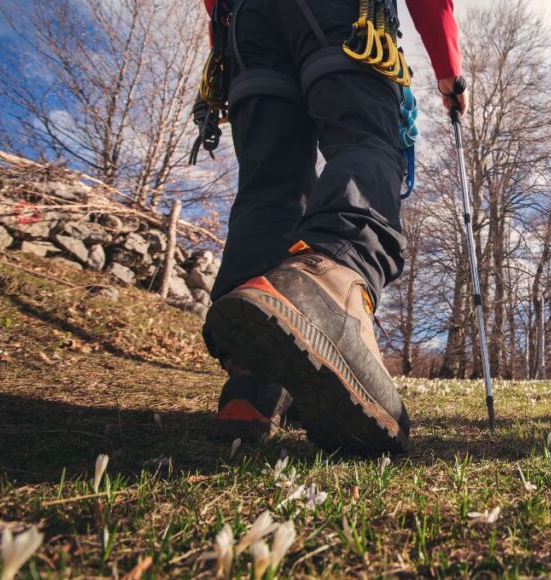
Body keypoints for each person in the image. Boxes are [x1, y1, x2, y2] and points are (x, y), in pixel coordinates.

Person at [199, 0, 466, 453]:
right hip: (341, 16)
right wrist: (448, 67)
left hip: (243, 26)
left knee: (269, 187)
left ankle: (252, 383)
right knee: (367, 139)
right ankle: (332, 281)